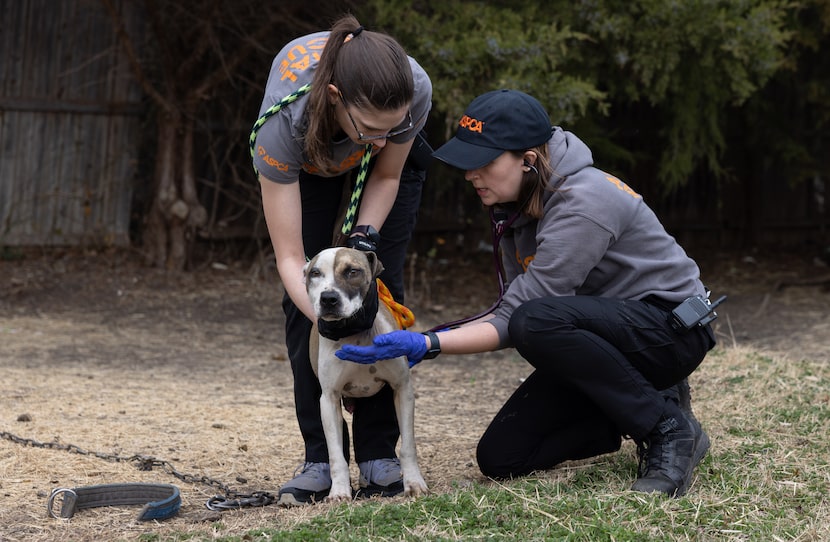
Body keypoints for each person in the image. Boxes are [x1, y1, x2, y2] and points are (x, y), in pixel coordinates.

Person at [336, 89, 717, 498]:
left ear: (528, 160)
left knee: (535, 321)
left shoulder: (583, 201)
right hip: (610, 341)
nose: (470, 175)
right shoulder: (518, 202)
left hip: (670, 330)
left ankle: (668, 430)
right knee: (502, 457)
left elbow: (522, 317)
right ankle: (642, 403)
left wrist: (428, 343)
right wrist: (427, 342)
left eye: (481, 163)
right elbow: (513, 311)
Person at [252, 14, 432, 505]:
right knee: (306, 297)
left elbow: (386, 171)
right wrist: (328, 317)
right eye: (371, 128)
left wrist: (366, 241)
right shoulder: (279, 128)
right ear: (334, 96)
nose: (378, 141)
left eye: (388, 129)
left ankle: (379, 455)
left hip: (385, 182)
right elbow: (291, 258)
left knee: (380, 289)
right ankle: (318, 458)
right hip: (308, 162)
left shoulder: (411, 91)